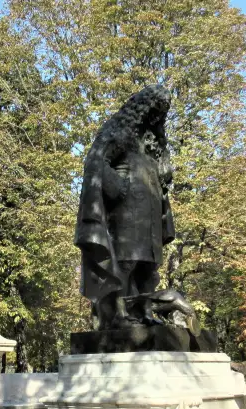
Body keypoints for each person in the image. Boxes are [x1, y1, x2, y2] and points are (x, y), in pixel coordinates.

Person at [75, 85, 174, 330]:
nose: (157, 117)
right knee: (126, 261)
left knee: (149, 267)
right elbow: (96, 160)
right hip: (127, 209)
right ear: (143, 108)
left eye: (161, 113)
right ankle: (116, 315)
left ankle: (143, 312)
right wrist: (118, 187)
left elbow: (165, 174)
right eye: (155, 110)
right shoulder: (121, 130)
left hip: (150, 209)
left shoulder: (152, 141)